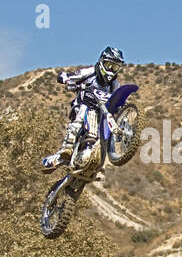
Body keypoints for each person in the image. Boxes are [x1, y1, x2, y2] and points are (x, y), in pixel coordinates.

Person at [40, 46, 126, 180]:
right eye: (109, 65)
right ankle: (66, 149)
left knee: (104, 132)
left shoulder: (114, 85)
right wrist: (68, 81)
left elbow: (118, 101)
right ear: (102, 61)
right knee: (83, 111)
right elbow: (67, 76)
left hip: (101, 113)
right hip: (82, 105)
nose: (111, 70)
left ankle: (95, 160)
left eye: (115, 67)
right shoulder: (90, 72)